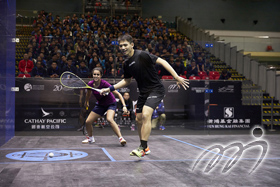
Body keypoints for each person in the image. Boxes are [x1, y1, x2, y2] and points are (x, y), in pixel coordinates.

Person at [101, 34, 189, 158]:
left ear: (132, 45)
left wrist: (176, 76)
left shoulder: (142, 55)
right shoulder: (126, 64)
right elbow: (126, 81)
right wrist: (109, 88)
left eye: (125, 45)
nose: (123, 47)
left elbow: (162, 61)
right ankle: (145, 147)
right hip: (143, 92)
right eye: (120, 46)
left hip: (156, 90)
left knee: (147, 114)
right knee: (138, 119)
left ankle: (142, 148)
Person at [83, 67, 127, 146]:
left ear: (101, 76)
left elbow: (118, 94)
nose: (96, 76)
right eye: (94, 74)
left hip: (111, 103)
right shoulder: (90, 84)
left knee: (109, 119)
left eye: (98, 74)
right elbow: (88, 94)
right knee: (88, 121)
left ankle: (121, 138)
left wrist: (124, 106)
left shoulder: (105, 84)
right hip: (100, 105)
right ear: (92, 75)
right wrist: (86, 102)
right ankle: (90, 138)